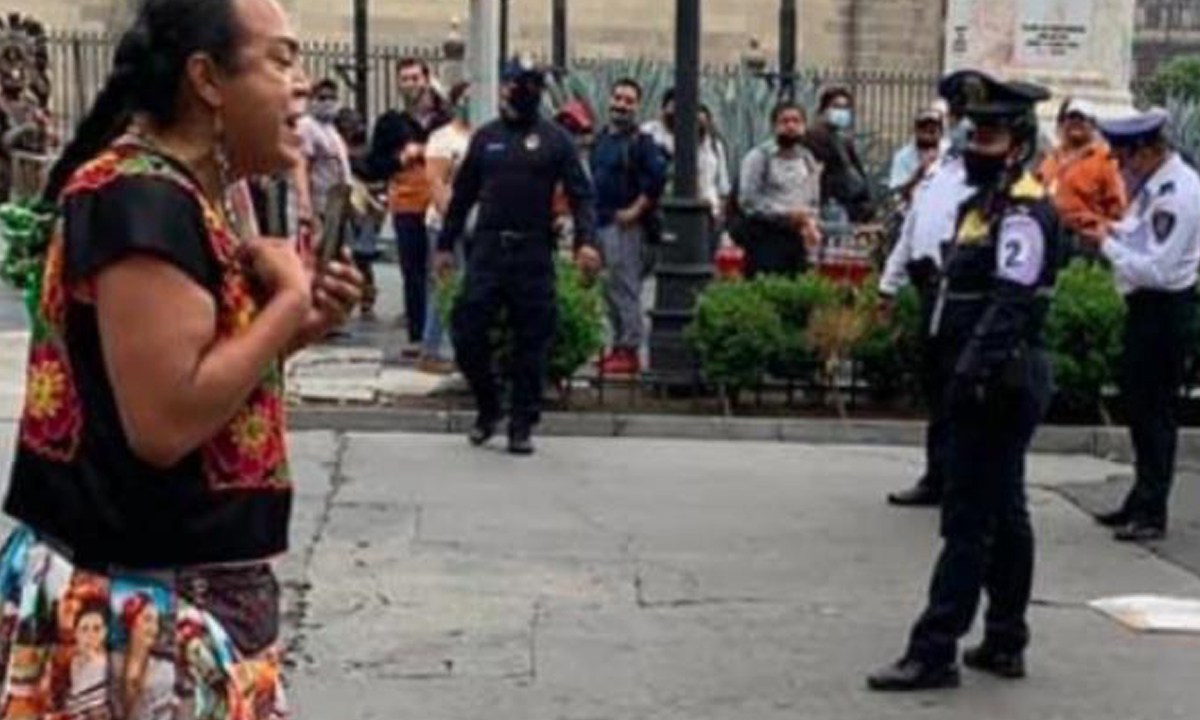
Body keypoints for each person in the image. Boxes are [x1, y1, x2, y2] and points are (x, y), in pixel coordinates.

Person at [0, 2, 363, 719]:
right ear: (207, 80)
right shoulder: (141, 198)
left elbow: (194, 382)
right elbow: (163, 423)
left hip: (183, 600)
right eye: (281, 60)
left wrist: (296, 327)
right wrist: (287, 302)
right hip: (146, 611)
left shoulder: (195, 194)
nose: (302, 86)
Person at [868, 76, 1058, 692]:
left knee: (969, 520)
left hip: (996, 381)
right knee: (1003, 510)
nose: (978, 144)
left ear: (1021, 143)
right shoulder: (985, 205)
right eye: (973, 133)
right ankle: (1004, 638)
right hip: (981, 375)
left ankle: (934, 649)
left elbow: (1011, 303)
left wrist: (971, 374)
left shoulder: (1024, 209)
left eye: (992, 135)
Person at [435, 58, 601, 456]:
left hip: (533, 252)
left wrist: (587, 242)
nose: (516, 92)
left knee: (533, 341)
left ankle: (522, 424)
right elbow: (462, 197)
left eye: (525, 86)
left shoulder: (555, 139)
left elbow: (582, 195)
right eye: (513, 85)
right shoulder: (487, 137)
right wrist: (445, 245)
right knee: (467, 330)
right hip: (489, 249)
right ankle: (489, 408)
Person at [1081, 109, 1200, 542]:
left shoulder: (1176, 194)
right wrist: (1109, 229)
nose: (1121, 166)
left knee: (1155, 415)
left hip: (1164, 310)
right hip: (1147, 310)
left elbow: (1159, 269)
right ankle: (1140, 497)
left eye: (1125, 157)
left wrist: (1106, 245)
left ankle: (1152, 511)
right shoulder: (1153, 187)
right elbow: (1134, 231)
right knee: (1139, 407)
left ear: (1147, 151)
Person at [880, 72, 981, 509]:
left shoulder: (984, 182)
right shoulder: (937, 172)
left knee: (963, 391)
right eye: (955, 114)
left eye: (964, 117)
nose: (959, 126)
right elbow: (912, 230)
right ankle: (937, 475)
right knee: (937, 389)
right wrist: (888, 284)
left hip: (962, 295)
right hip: (929, 290)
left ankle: (963, 478)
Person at [362, 57, 450, 345]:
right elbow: (372, 166)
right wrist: (400, 158)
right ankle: (417, 335)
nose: (411, 84)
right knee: (413, 270)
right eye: (405, 79)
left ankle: (441, 335)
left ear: (426, 80)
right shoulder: (391, 123)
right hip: (407, 203)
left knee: (441, 268)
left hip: (440, 204)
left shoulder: (445, 121)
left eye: (415, 78)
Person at [589, 78, 668, 377]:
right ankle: (617, 346)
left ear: (637, 106)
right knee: (609, 289)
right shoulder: (601, 140)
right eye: (618, 98)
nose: (621, 105)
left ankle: (630, 349)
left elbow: (658, 178)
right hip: (601, 222)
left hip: (626, 227)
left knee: (625, 287)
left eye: (628, 101)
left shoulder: (642, 143)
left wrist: (636, 209)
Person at [732, 101, 823, 278]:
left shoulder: (807, 158)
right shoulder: (759, 157)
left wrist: (810, 222)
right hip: (766, 236)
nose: (791, 126)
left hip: (797, 238)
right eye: (785, 121)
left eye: (796, 121)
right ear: (774, 126)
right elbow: (748, 201)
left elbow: (812, 196)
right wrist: (786, 214)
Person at [420, 81, 472, 374]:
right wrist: (450, 222)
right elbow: (436, 182)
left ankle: (458, 349)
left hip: (477, 224)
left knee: (464, 287)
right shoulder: (442, 138)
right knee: (446, 286)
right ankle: (431, 350)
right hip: (444, 224)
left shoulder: (485, 134)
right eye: (464, 97)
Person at [1037, 98, 1127, 237]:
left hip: (1084, 240)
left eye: (1082, 119)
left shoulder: (1106, 161)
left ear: (1093, 126)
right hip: (1047, 236)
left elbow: (1117, 211)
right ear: (1062, 123)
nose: (1076, 123)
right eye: (1071, 118)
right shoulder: (1050, 159)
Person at [336, 105, 384, 319]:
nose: (353, 128)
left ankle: (366, 298)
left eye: (355, 124)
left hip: (366, 207)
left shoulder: (366, 151)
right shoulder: (338, 147)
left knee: (363, 255)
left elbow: (377, 177)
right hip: (345, 204)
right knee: (348, 255)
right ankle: (354, 299)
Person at [803, 85, 874, 222]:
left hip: (844, 204)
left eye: (845, 107)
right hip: (828, 203)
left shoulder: (841, 138)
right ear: (824, 110)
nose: (841, 112)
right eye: (836, 106)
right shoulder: (815, 137)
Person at [296, 78, 351, 225]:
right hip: (317, 204)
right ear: (312, 100)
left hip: (335, 205)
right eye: (322, 97)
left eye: (332, 97)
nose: (328, 102)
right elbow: (302, 164)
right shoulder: (306, 126)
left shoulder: (332, 130)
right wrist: (305, 201)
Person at [889, 107, 947, 204]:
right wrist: (920, 171)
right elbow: (899, 196)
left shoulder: (950, 153)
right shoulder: (902, 157)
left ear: (941, 132)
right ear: (915, 131)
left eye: (932, 130)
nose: (927, 135)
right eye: (923, 129)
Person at [698, 104, 732, 238]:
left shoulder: (715, 146)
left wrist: (722, 210)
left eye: (703, 123)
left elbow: (722, 181)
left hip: (711, 207)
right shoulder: (679, 144)